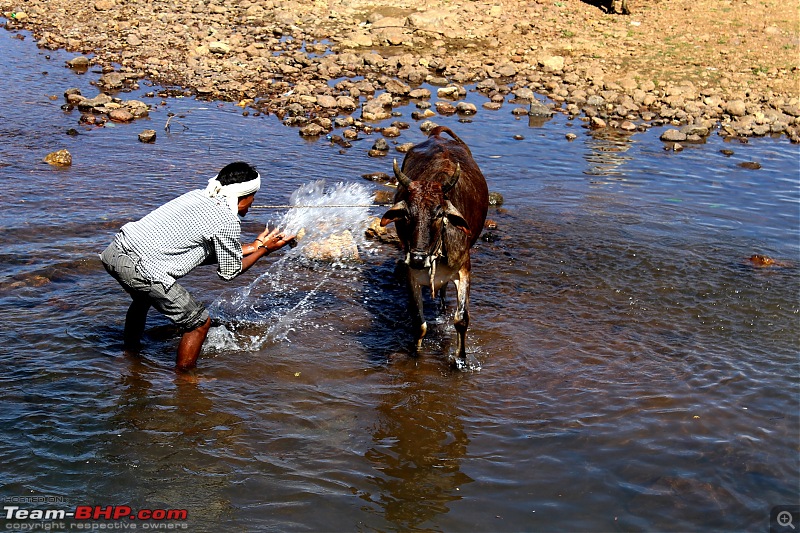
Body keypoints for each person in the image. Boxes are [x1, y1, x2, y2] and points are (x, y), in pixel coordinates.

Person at [100, 161, 295, 371]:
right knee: (199, 323)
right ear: (243, 196)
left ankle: (130, 355)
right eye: (253, 196)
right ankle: (185, 381)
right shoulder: (227, 220)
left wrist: (256, 245)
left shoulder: (197, 195)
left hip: (116, 252)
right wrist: (265, 251)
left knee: (143, 299)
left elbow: (198, 247)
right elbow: (229, 272)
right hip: (142, 268)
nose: (253, 202)